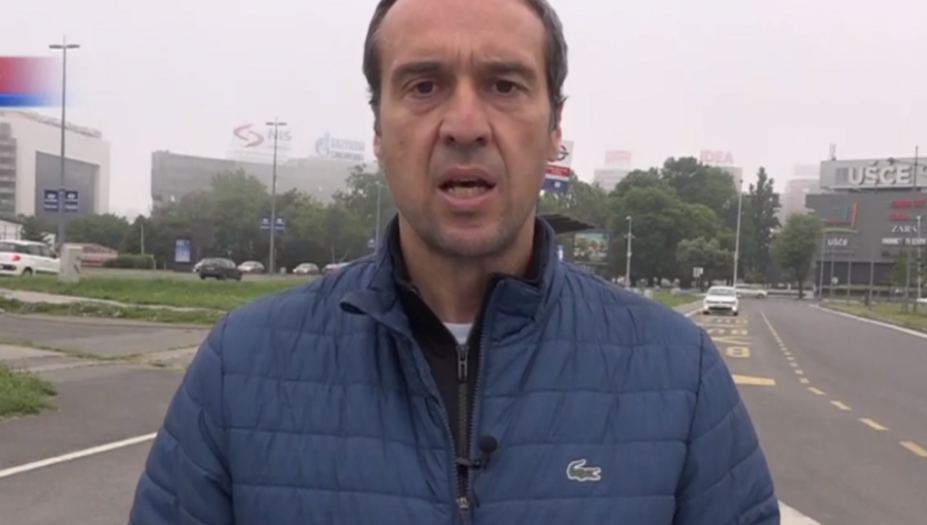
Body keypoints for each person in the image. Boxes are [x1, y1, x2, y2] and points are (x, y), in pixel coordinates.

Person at [128, 0, 779, 523]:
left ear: (554, 129)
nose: (465, 124)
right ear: (378, 129)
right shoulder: (241, 368)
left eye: (504, 85)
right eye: (424, 85)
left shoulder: (680, 377)